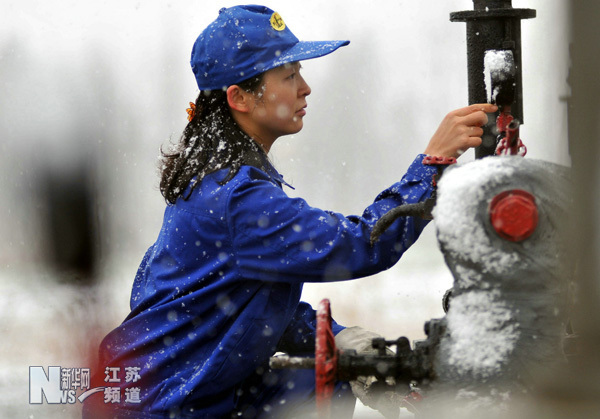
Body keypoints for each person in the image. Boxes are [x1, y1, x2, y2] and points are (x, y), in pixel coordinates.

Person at [83, 5, 496, 419]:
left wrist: (339, 338)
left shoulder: (211, 182)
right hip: (162, 407)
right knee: (316, 381)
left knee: (323, 373)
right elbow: (361, 244)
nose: (306, 88)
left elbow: (237, 309)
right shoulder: (238, 199)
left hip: (167, 392)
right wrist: (433, 164)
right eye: (289, 76)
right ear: (239, 98)